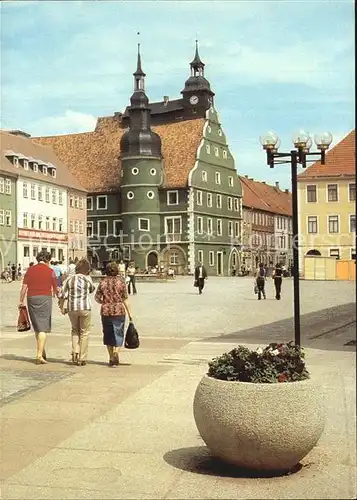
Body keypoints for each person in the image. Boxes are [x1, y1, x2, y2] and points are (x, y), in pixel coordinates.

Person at [19, 251, 60, 364]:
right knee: (43, 327)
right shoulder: (50, 271)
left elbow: (24, 286)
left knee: (37, 325)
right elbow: (56, 288)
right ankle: (39, 355)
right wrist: (60, 298)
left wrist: (21, 300)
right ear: (47, 260)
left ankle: (41, 351)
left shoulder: (30, 269)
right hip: (45, 298)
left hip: (31, 297)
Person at [95, 262, 133, 367]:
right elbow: (125, 298)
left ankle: (111, 357)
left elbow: (97, 297)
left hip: (106, 311)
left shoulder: (102, 282)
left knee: (108, 334)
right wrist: (130, 315)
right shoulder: (121, 282)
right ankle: (116, 352)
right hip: (118, 310)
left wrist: (104, 302)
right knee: (118, 333)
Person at [61, 259, 95, 366]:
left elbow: (62, 293)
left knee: (75, 330)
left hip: (72, 308)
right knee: (84, 332)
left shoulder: (69, 279)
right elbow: (92, 289)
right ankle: (82, 357)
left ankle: (75, 351)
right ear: (87, 270)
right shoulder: (87, 279)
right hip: (85, 307)